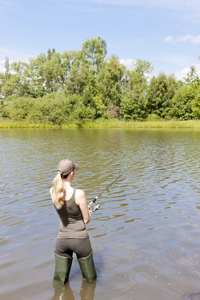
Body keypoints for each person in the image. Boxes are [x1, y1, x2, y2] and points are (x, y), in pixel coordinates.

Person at [50, 159, 97, 285]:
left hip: (62, 241)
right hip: (80, 240)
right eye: (74, 171)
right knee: (90, 281)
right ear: (71, 174)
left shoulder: (52, 192)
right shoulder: (79, 194)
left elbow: (66, 210)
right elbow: (86, 220)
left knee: (59, 283)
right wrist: (87, 211)